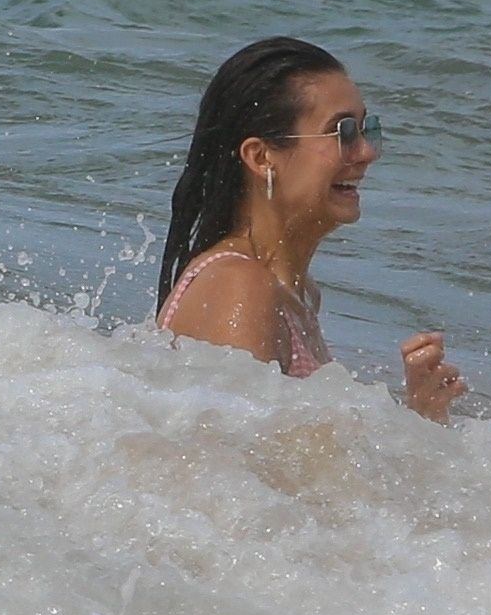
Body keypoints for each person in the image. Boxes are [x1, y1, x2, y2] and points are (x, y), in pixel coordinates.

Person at [156, 37, 468, 420]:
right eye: (343, 132)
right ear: (261, 156)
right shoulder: (240, 287)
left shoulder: (297, 296)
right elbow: (232, 464)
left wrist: (419, 418)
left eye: (367, 129)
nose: (368, 152)